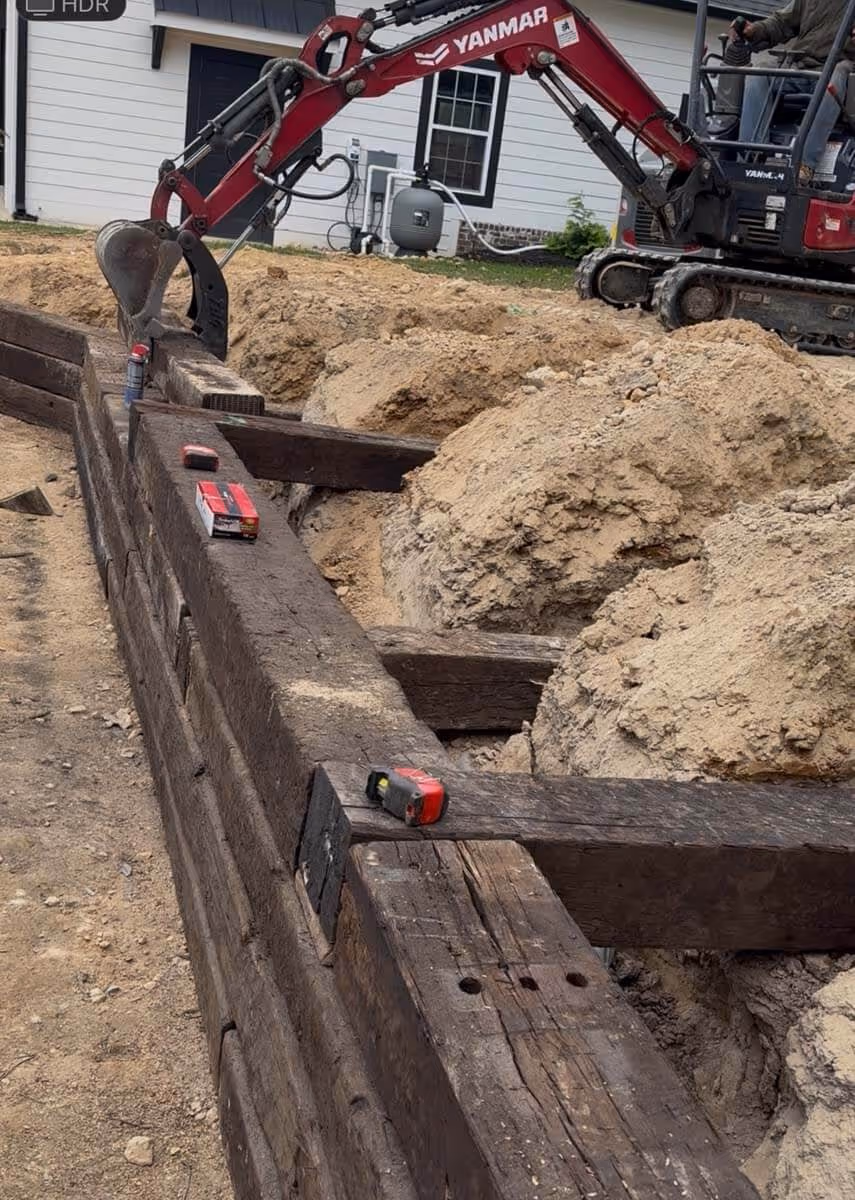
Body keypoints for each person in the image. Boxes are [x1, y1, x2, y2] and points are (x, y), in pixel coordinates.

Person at [732, 0, 855, 183]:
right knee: (760, 71)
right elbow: (781, 23)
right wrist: (755, 30)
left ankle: (804, 164)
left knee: (838, 72)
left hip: (841, 70)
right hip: (802, 67)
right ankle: (754, 157)